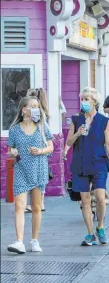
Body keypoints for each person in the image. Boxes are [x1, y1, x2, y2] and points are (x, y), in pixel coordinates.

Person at [66, 87, 109, 246]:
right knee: (85, 200)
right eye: (82, 99)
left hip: (99, 162)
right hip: (80, 163)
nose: (84, 102)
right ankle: (90, 233)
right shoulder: (76, 120)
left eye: (87, 99)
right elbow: (68, 142)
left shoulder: (104, 121)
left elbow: (108, 144)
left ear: (94, 101)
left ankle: (100, 227)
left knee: (101, 198)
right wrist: (77, 133)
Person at [7, 96, 54, 254]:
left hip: (38, 169)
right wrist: (12, 152)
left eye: (37, 106)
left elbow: (51, 147)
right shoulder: (14, 129)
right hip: (21, 170)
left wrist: (40, 151)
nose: (36, 109)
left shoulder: (42, 126)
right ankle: (19, 241)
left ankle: (34, 240)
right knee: (19, 206)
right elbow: (9, 151)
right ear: (24, 110)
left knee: (36, 207)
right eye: (32, 106)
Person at [25, 88, 50, 213]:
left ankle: (35, 203)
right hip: (43, 148)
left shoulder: (36, 114)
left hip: (37, 148)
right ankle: (41, 203)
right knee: (41, 176)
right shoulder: (44, 110)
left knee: (33, 176)